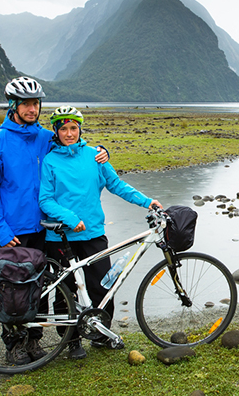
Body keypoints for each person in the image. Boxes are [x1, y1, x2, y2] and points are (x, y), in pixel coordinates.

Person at [0, 77, 109, 365]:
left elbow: (73, 144)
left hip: (45, 229)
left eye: (35, 103)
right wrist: (0, 230)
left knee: (43, 287)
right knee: (11, 291)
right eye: (25, 103)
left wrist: (101, 152)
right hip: (12, 231)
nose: (31, 108)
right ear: (13, 105)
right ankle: (13, 344)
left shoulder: (43, 138)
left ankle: (35, 341)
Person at [39, 105, 162, 359]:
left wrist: (147, 201)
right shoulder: (50, 161)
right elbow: (46, 200)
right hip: (62, 236)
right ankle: (72, 342)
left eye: (73, 128)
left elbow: (117, 185)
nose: (69, 133)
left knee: (103, 286)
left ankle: (101, 334)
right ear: (56, 131)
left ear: (80, 129)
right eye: (64, 129)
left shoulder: (95, 156)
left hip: (94, 233)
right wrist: (71, 219)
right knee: (68, 291)